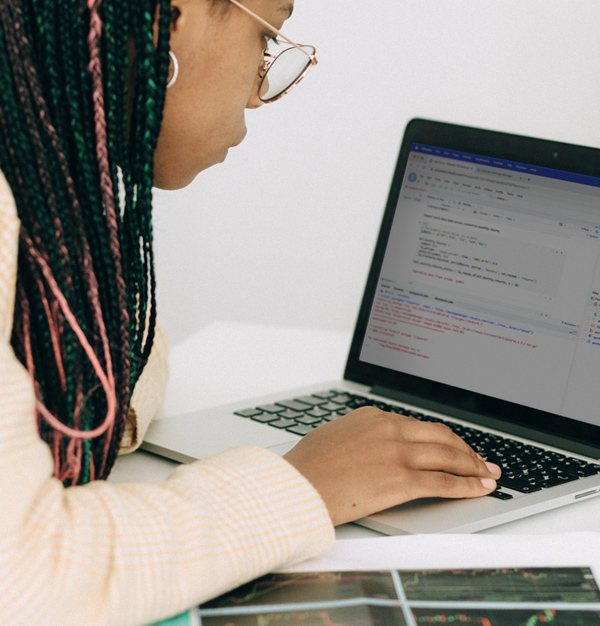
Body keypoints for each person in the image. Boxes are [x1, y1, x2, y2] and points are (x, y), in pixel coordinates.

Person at [0, 0, 501, 623]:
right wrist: (306, 485)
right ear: (170, 19)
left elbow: (134, 348)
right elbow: (24, 583)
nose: (261, 93)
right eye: (266, 39)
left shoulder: (39, 177)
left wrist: (81, 409)